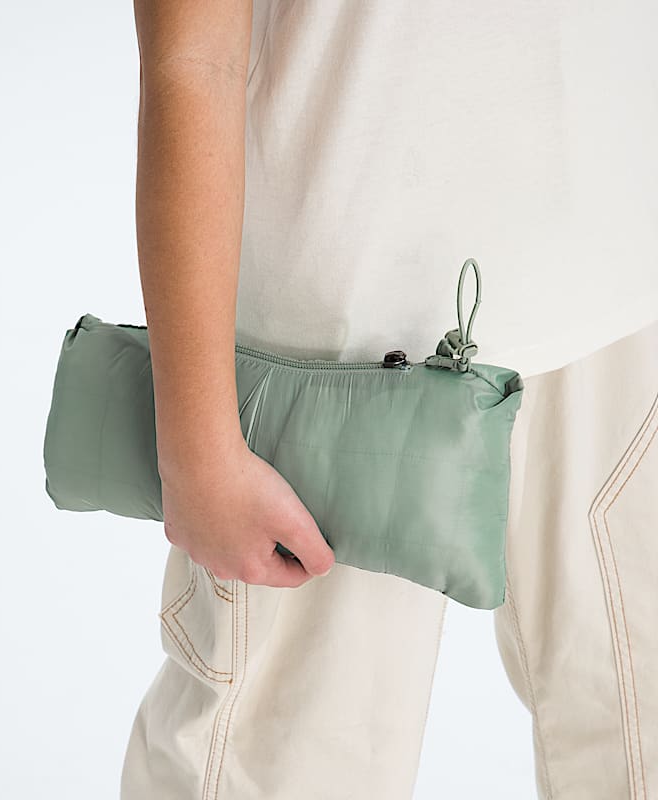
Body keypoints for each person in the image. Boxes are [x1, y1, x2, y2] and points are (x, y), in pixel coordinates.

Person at [121, 2, 658, 798]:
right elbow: (193, 58)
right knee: (281, 764)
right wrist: (198, 447)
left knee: (638, 734)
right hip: (338, 342)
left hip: (625, 294)